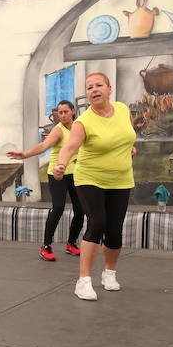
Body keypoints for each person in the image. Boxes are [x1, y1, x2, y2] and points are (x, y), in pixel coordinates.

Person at [53, 73, 136, 301]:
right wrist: (61, 165)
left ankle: (109, 274)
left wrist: (130, 147)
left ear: (109, 88)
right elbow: (69, 147)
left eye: (99, 85)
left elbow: (128, 134)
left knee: (114, 230)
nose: (94, 90)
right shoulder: (83, 122)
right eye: (89, 87)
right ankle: (83, 281)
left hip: (120, 179)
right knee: (97, 222)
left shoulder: (122, 110)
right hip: (90, 178)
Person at [7, 100, 83, 261]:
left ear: (73, 111)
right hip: (57, 174)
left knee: (80, 209)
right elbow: (43, 146)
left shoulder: (79, 127)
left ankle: (71, 243)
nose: (63, 115)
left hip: (76, 174)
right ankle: (46, 246)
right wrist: (25, 155)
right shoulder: (58, 131)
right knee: (58, 208)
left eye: (66, 112)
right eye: (60, 112)